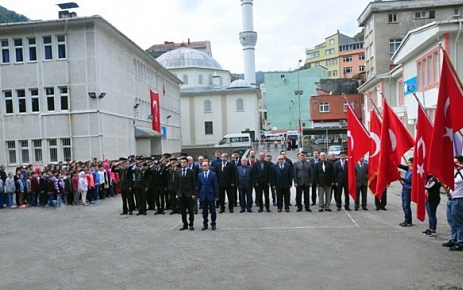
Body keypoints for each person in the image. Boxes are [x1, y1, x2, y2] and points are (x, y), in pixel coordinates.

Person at [442, 155, 463, 251]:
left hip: (459, 200)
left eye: (456, 162)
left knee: (458, 222)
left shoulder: (461, 173)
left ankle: (461, 242)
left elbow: (456, 181)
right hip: (451, 199)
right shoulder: (454, 171)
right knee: (451, 221)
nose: (453, 165)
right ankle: (453, 239)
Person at [197, 161, 219, 231]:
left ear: (208, 166)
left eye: (205, 166)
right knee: (204, 211)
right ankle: (205, 224)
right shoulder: (200, 175)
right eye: (203, 166)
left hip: (211, 194)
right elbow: (199, 186)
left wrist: (216, 195)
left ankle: (213, 223)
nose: (204, 167)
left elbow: (215, 185)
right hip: (203, 195)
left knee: (212, 211)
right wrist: (198, 196)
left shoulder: (213, 174)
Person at [176, 157, 197, 231]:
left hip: (189, 194)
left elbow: (194, 183)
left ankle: (191, 224)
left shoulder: (191, 172)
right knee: (183, 211)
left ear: (187, 163)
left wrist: (194, 193)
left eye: (184, 162)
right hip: (181, 194)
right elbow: (177, 184)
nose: (183, 163)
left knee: (190, 211)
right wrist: (177, 193)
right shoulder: (178, 172)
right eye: (181, 162)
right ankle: (185, 224)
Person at [398, 157, 413, 227]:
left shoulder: (414, 171)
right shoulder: (408, 169)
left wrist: (401, 178)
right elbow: (401, 166)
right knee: (403, 205)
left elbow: (410, 181)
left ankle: (408, 221)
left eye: (409, 162)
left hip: (408, 189)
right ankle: (406, 219)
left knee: (406, 206)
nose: (408, 163)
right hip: (404, 188)